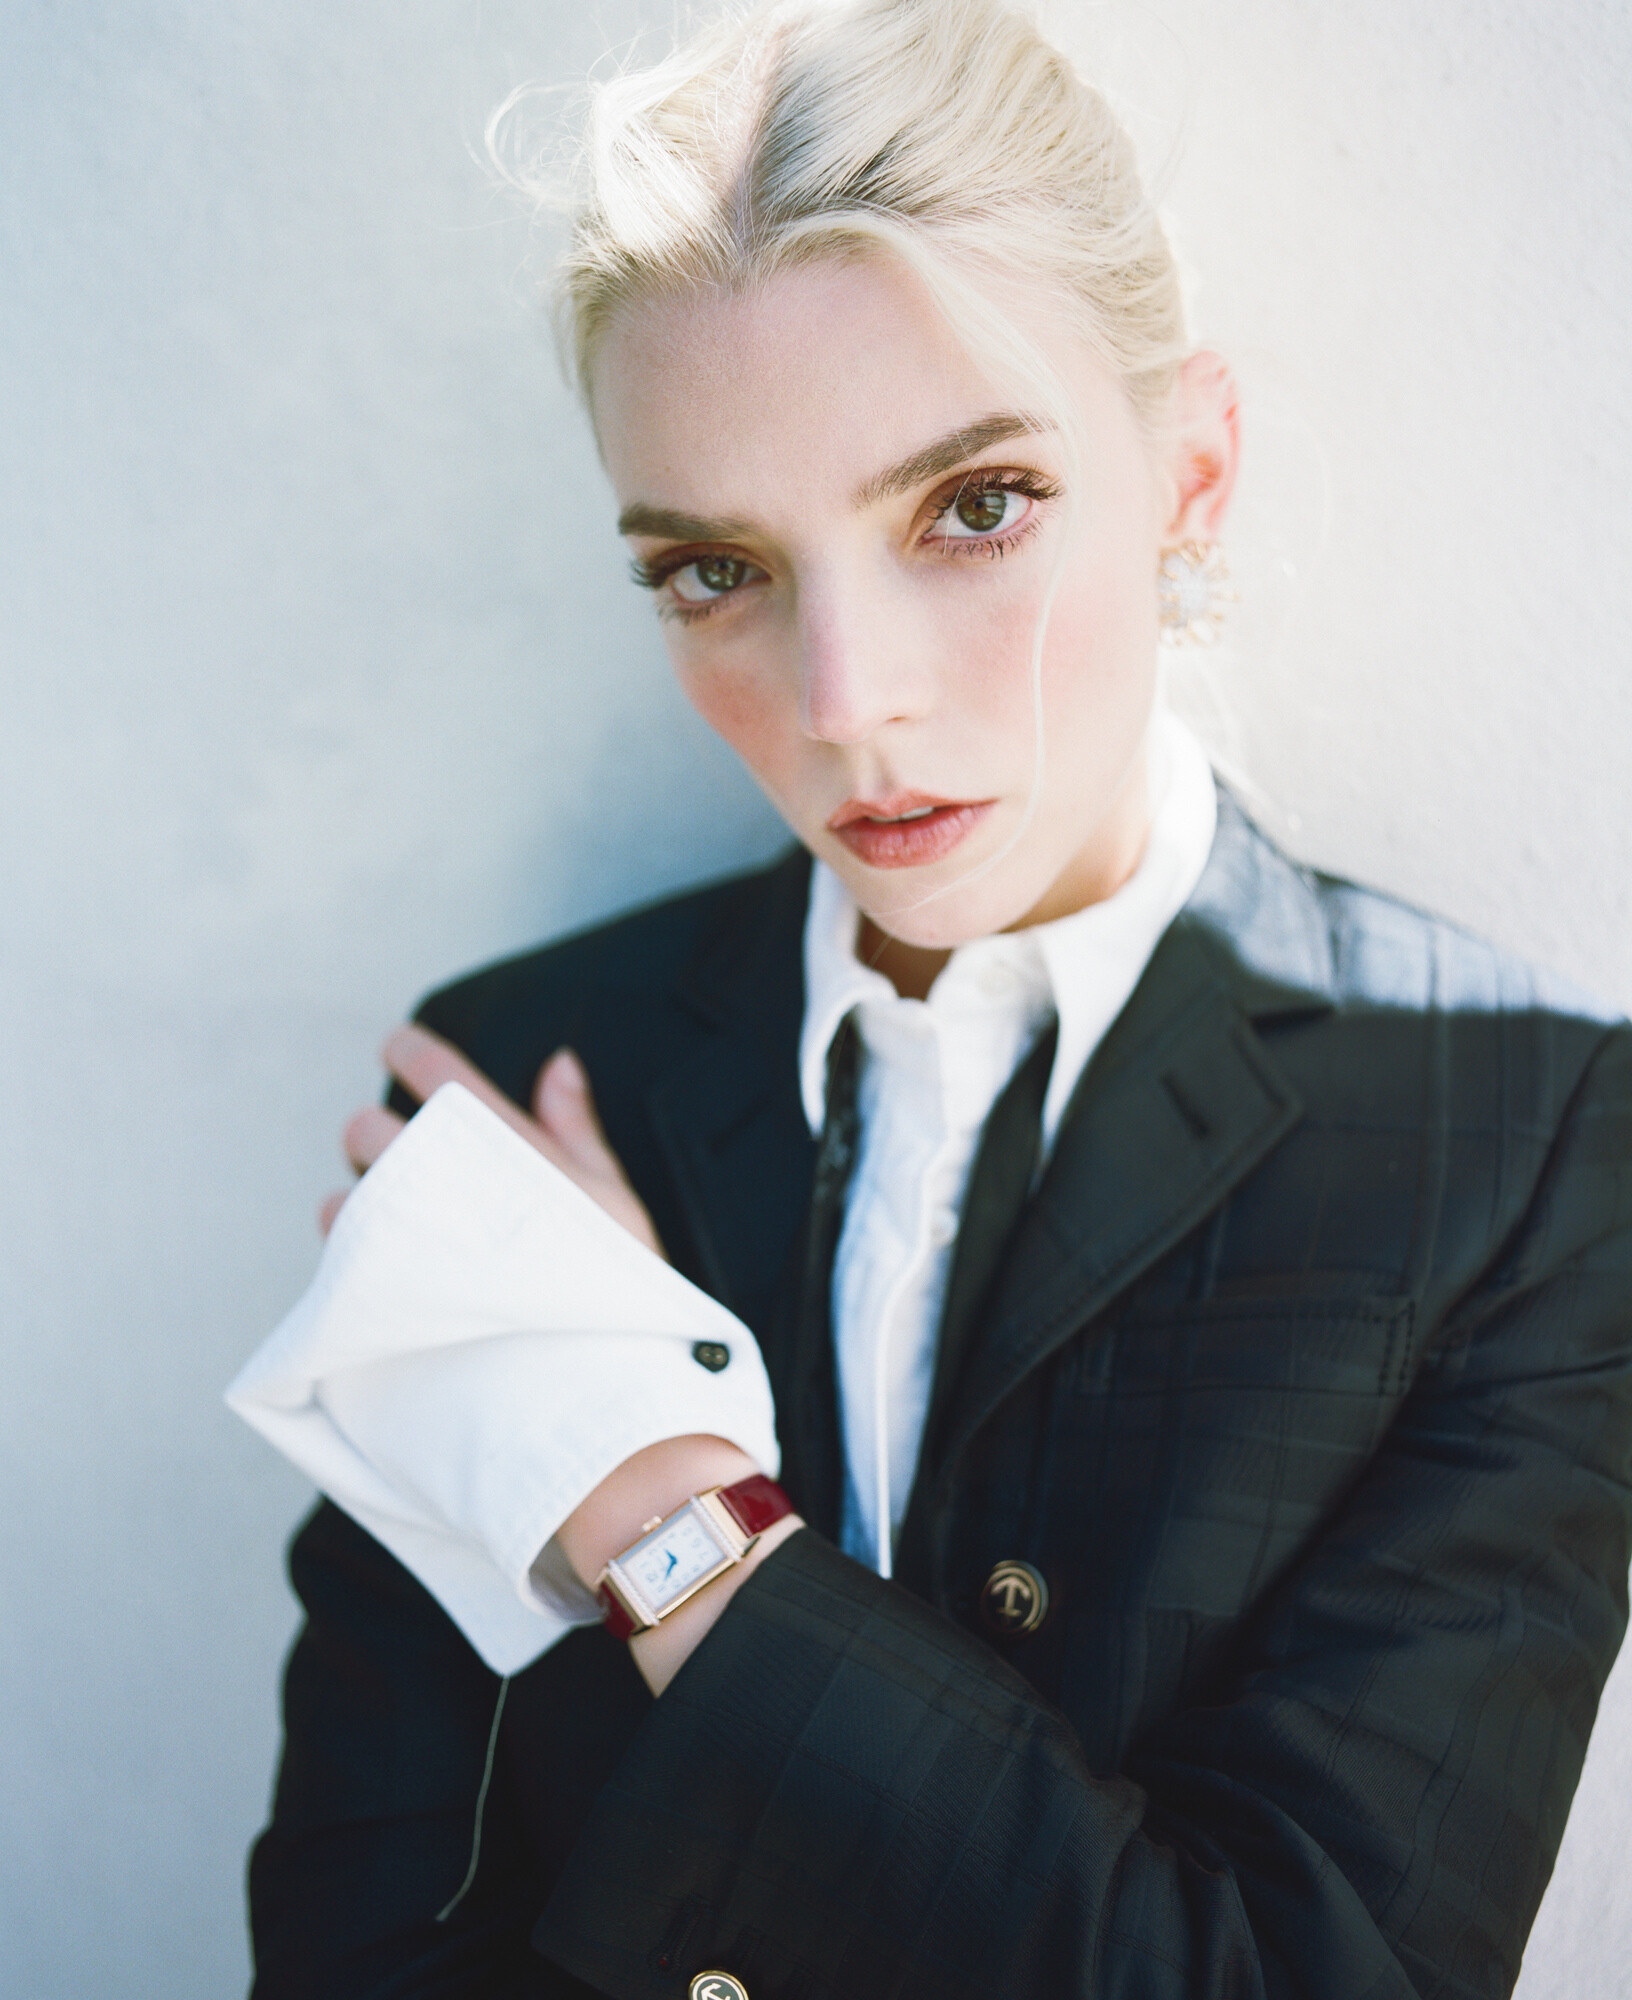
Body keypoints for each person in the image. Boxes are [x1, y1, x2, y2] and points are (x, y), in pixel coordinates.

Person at [244, 2, 1632, 1995]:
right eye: (715, 569)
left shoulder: (1525, 1144)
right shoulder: (536, 1080)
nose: (845, 704)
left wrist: (660, 1510)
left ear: (1192, 473)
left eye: (972, 507)